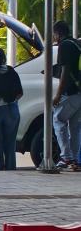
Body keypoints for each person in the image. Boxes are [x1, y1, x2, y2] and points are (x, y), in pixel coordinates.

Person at [52, 20, 81, 171]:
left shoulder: (64, 46)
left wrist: (58, 94)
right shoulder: (77, 44)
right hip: (79, 92)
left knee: (58, 120)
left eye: (54, 34)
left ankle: (65, 157)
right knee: (75, 127)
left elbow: (65, 72)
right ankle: (75, 160)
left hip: (70, 91)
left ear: (58, 33)